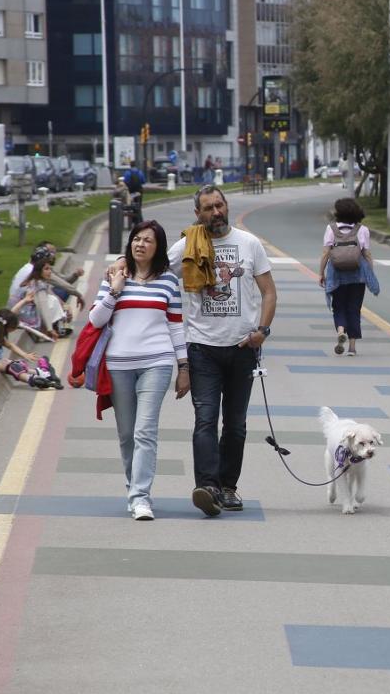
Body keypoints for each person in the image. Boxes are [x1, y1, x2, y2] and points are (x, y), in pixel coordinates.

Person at [167, 186, 278, 517]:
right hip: (202, 348)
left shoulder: (249, 244)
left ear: (226, 206)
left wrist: (262, 331)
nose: (215, 212)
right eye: (207, 208)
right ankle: (208, 487)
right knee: (205, 420)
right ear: (198, 214)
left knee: (236, 424)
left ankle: (228, 487)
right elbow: (153, 268)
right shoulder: (187, 245)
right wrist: (122, 267)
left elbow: (269, 292)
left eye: (219, 205)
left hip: (243, 348)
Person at [88, 220, 188, 521]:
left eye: (148, 240)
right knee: (127, 434)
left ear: (158, 248)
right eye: (136, 239)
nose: (140, 244)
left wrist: (184, 366)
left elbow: (176, 325)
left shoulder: (169, 281)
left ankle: (141, 497)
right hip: (118, 365)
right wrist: (114, 292)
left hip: (156, 363)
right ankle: (133, 489)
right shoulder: (115, 277)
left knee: (146, 431)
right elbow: (95, 320)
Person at [318, 198, 380, 356]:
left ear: (339, 213)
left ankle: (340, 331)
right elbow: (367, 254)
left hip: (336, 274)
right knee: (354, 309)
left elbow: (326, 253)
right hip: (357, 276)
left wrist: (321, 273)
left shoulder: (331, 229)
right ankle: (352, 347)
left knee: (338, 306)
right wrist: (369, 274)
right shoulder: (362, 230)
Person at [0, 306, 57, 389]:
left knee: (18, 365)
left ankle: (41, 373)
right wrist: (25, 355)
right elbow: (10, 345)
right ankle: (32, 379)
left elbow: (12, 312)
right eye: (14, 328)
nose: (15, 329)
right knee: (13, 367)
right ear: (7, 327)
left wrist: (25, 300)